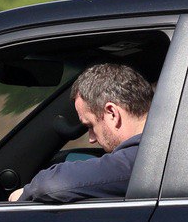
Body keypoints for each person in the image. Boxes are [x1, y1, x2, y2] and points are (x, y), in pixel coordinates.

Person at [9, 63, 153, 203]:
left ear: (112, 113)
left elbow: (52, 185)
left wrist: (24, 194)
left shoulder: (142, 160)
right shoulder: (164, 145)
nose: (91, 139)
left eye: (90, 125)